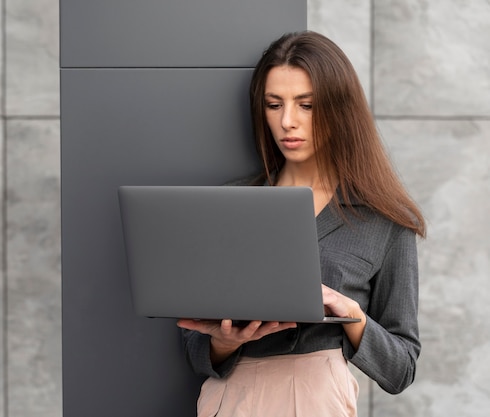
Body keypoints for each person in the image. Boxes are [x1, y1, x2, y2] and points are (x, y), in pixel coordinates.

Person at [177, 30, 426, 417]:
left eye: (306, 105)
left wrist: (349, 313)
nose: (287, 122)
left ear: (339, 109)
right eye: (274, 105)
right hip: (230, 394)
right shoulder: (229, 204)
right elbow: (192, 349)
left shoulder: (385, 221)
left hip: (317, 393)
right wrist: (224, 342)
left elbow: (401, 369)